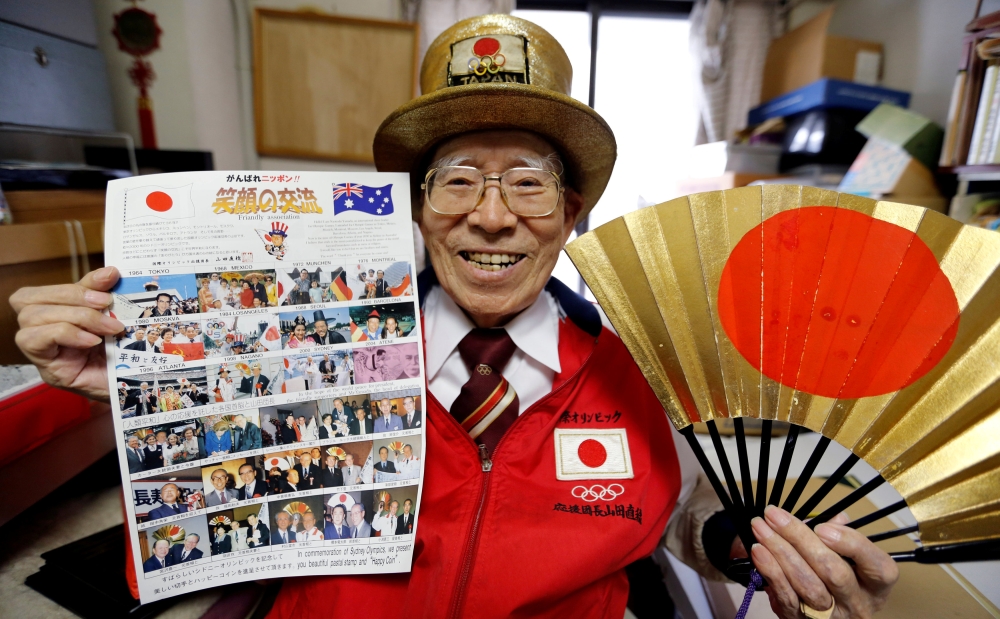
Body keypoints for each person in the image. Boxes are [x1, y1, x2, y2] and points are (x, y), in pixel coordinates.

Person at [11, 15, 899, 619]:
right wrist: (135, 392)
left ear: (573, 208)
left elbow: (683, 514)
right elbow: (212, 494)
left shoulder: (648, 361)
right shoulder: (299, 340)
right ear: (417, 206)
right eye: (459, 179)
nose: (492, 215)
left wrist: (752, 543)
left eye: (527, 180)